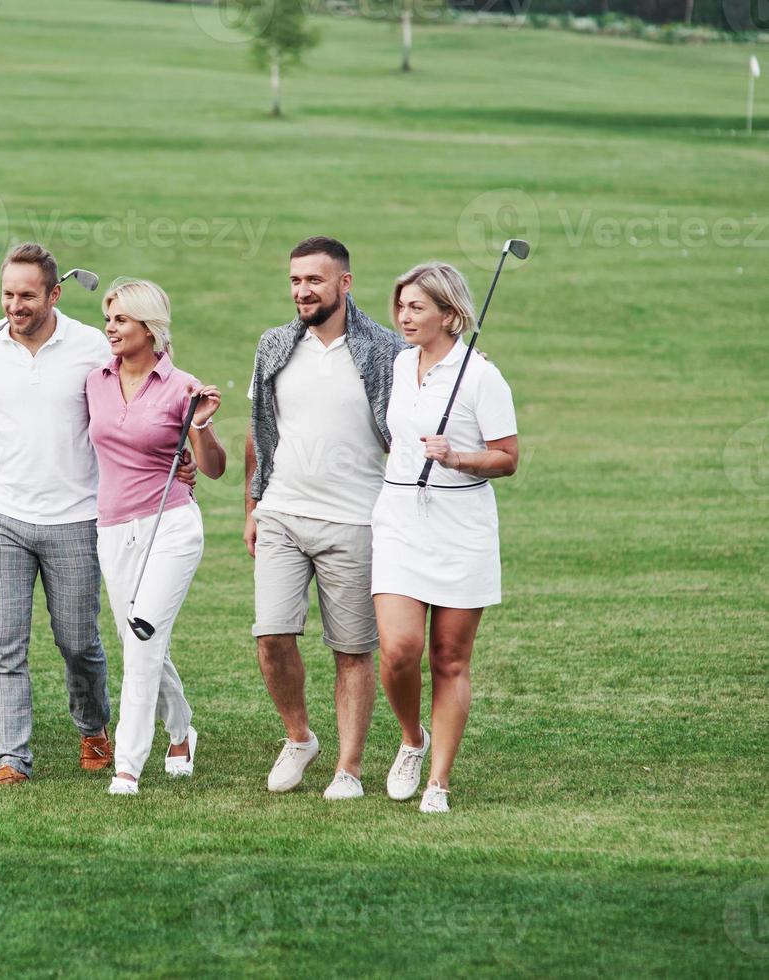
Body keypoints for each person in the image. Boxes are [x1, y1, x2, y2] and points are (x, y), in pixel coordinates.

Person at [0, 243, 191, 786]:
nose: (15, 306)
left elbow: (137, 403)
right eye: (7, 294)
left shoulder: (93, 348)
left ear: (54, 294)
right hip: (0, 516)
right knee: (4, 643)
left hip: (78, 518)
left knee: (78, 642)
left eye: (27, 296)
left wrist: (177, 458)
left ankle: (93, 727)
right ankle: (11, 758)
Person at [245, 237, 406, 800]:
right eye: (294, 280)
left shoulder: (386, 350)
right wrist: (253, 506)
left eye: (314, 280)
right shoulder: (274, 346)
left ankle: (349, 769)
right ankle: (299, 737)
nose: (302, 291)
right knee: (271, 638)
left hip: (356, 520)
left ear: (345, 283)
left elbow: (414, 419)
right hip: (283, 514)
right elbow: (259, 431)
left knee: (352, 650)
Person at [372, 261, 519, 814]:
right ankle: (412, 739)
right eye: (402, 306)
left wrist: (457, 457)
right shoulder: (399, 363)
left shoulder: (482, 376)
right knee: (398, 651)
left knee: (450, 659)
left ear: (451, 315)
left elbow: (508, 457)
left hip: (462, 528)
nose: (404, 317)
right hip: (400, 519)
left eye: (417, 307)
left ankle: (438, 782)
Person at [85, 279, 225, 796]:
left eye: (121, 320)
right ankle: (182, 727)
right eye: (108, 319)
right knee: (138, 638)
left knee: (142, 637)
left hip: (171, 526)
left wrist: (201, 429)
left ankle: (127, 767)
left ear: (149, 327)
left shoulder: (183, 387)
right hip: (113, 528)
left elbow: (213, 469)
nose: (111, 329)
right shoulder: (95, 380)